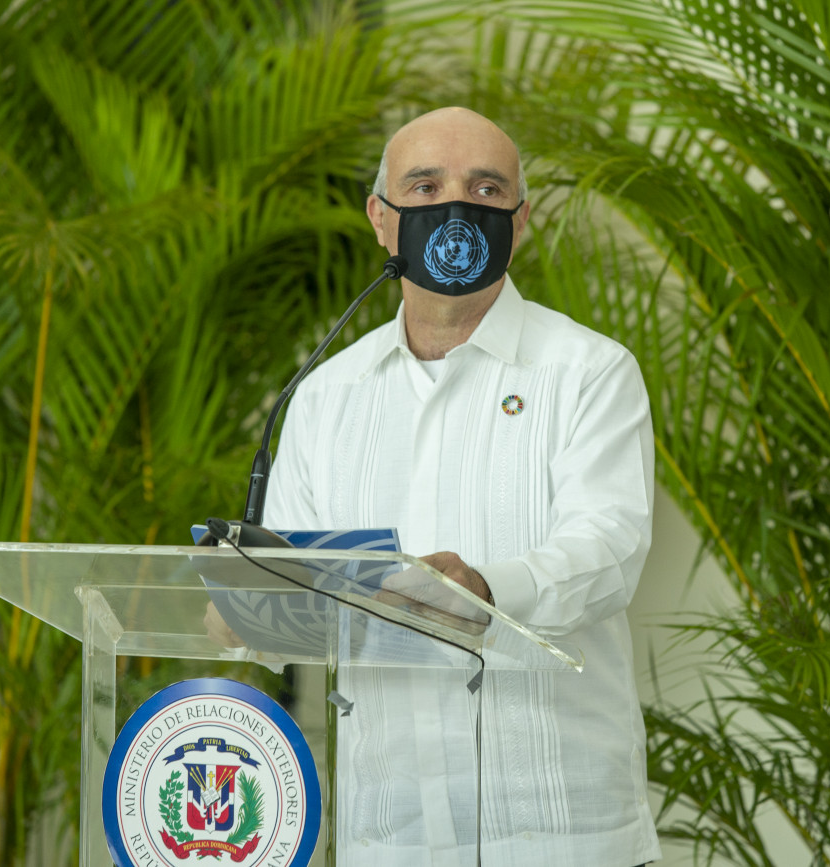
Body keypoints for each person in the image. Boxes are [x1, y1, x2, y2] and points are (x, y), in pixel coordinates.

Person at [264, 107, 661, 866]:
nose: (456, 207)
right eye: (424, 186)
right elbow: (289, 578)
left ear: (520, 221)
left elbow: (609, 551)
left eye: (486, 189)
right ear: (381, 219)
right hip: (389, 838)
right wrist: (245, 606)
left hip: (560, 840)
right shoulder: (325, 395)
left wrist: (484, 590)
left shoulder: (590, 371)